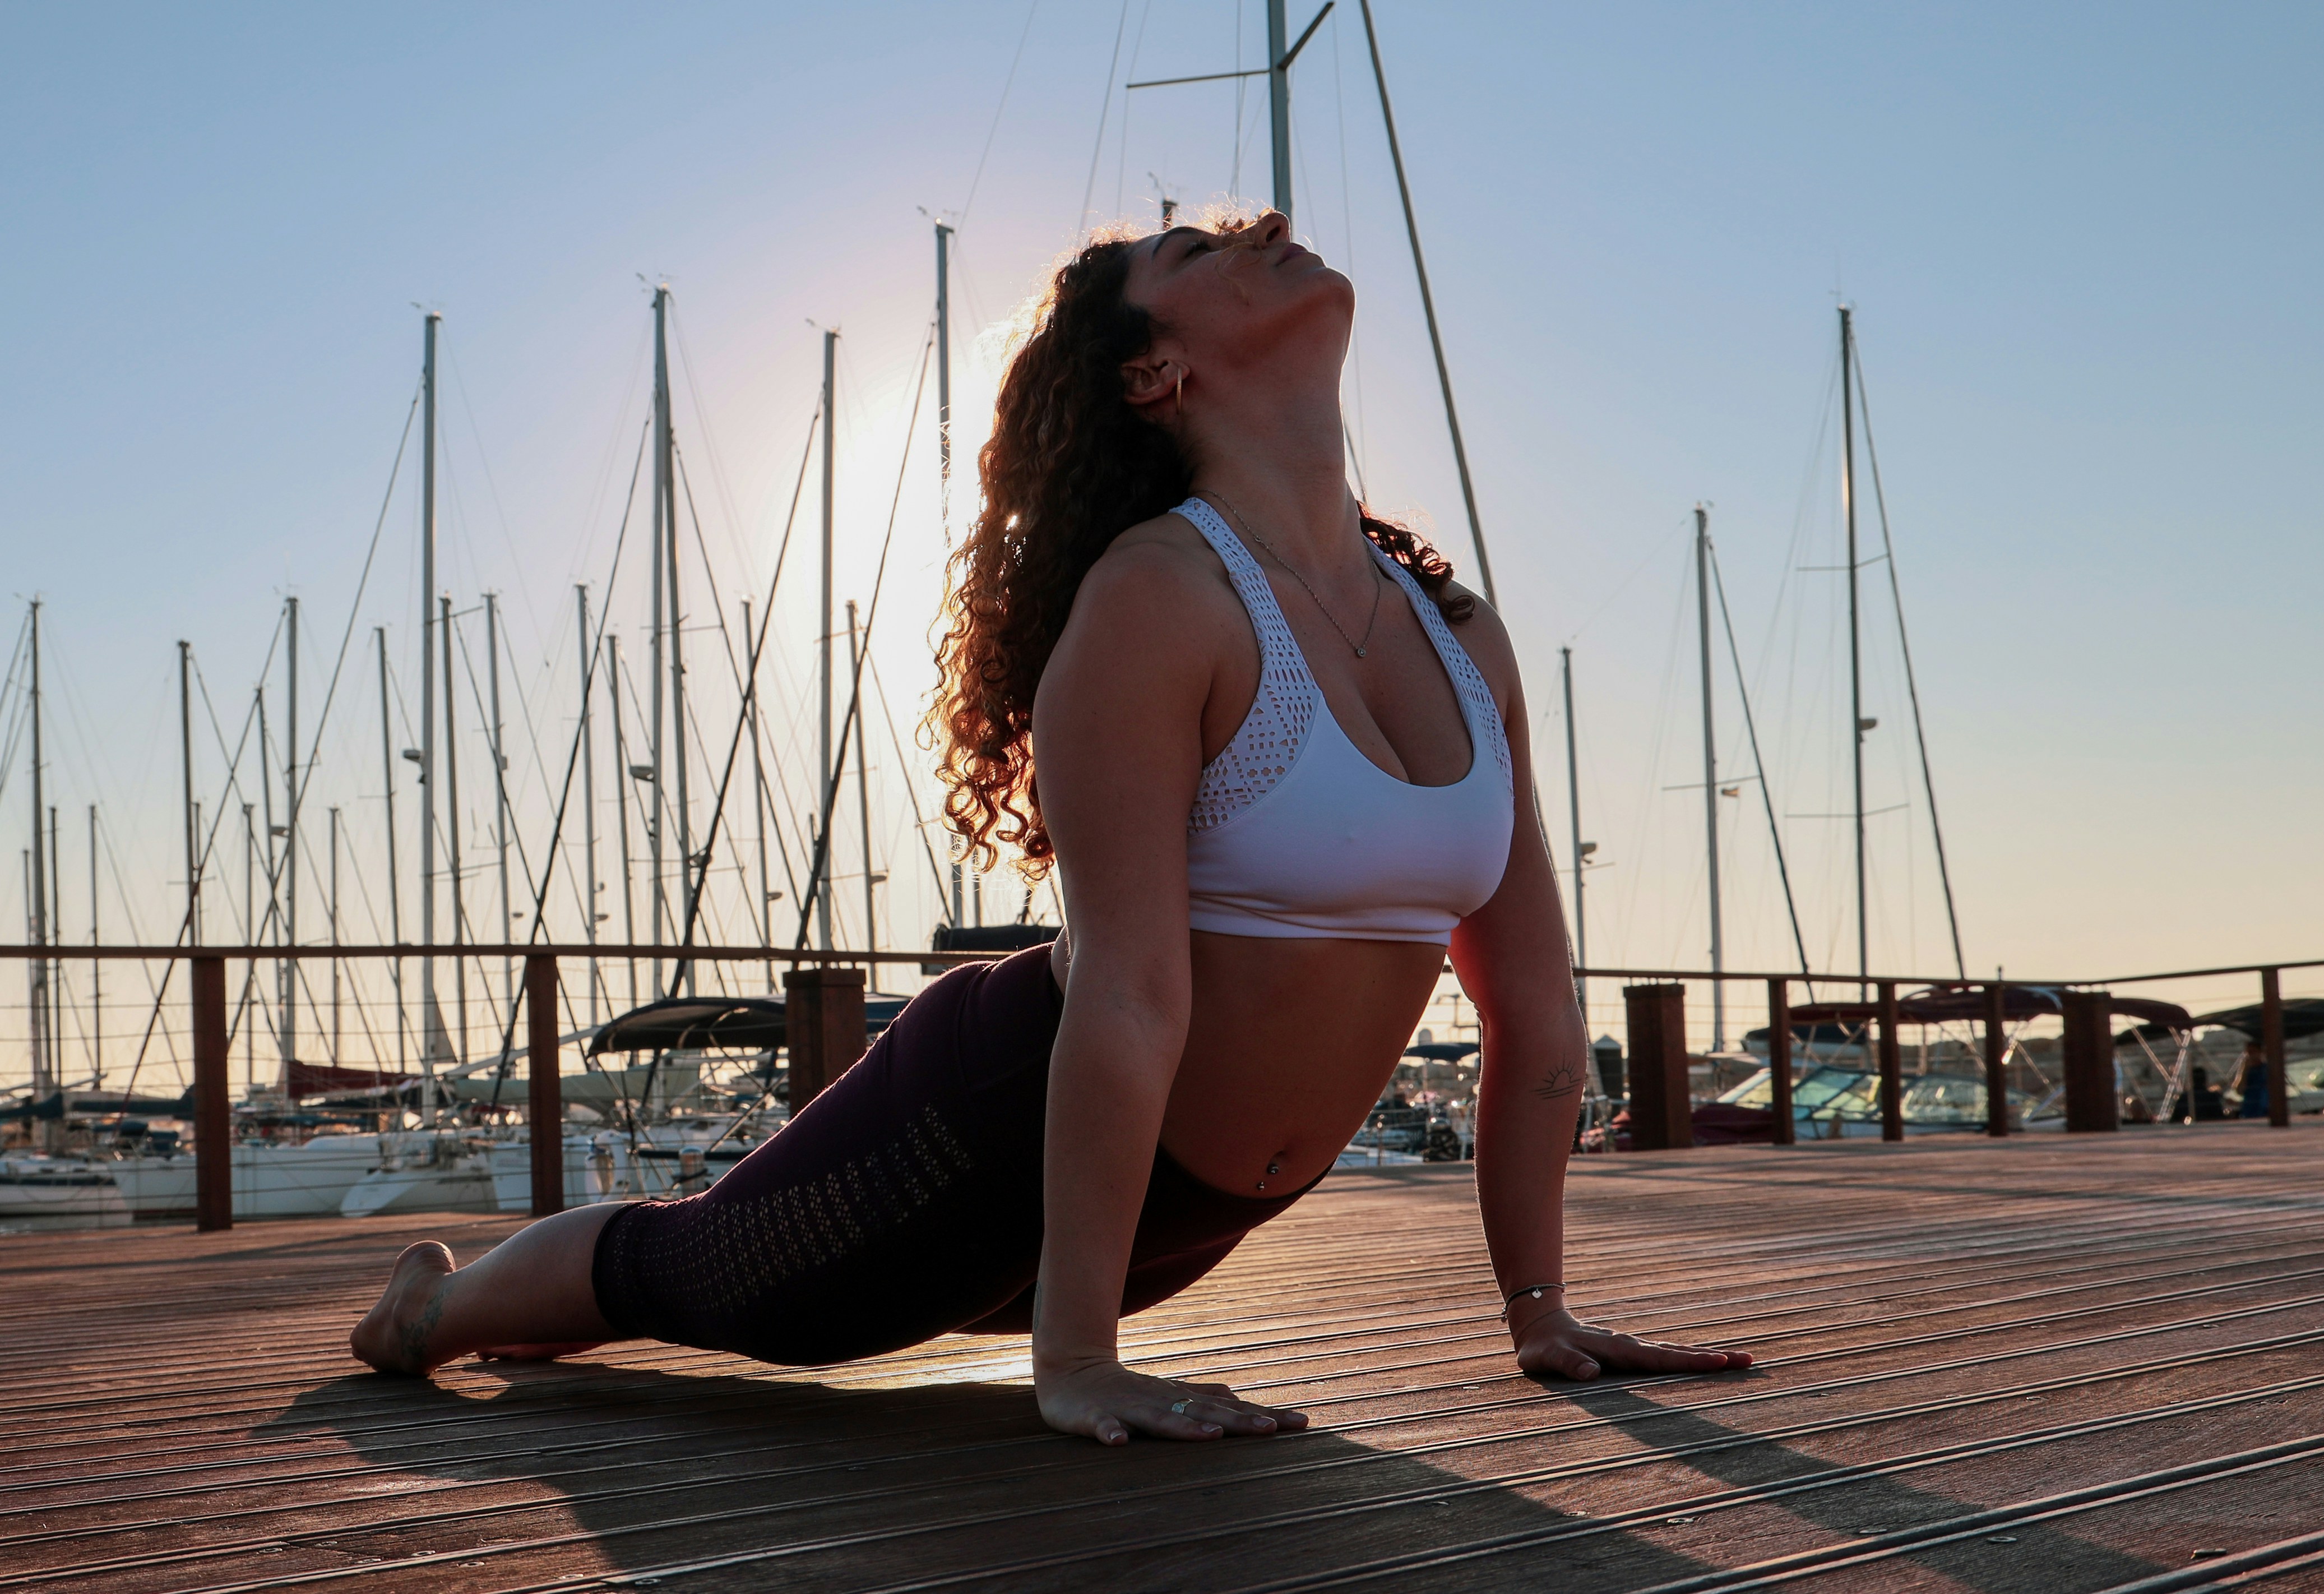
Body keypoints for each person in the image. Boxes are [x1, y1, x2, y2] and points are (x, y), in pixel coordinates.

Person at [351, 210, 1753, 1443]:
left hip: (1189, 1214)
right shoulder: (1159, 601)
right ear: (1154, 371)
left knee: (778, 1298)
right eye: (1196, 250)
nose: (1259, 226)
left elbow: (1536, 1013)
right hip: (991, 1125)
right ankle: (436, 1308)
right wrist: (1076, 1361)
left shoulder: (1459, 638)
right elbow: (1132, 993)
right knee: (704, 1282)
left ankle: (495, 1308)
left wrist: (1538, 1308)